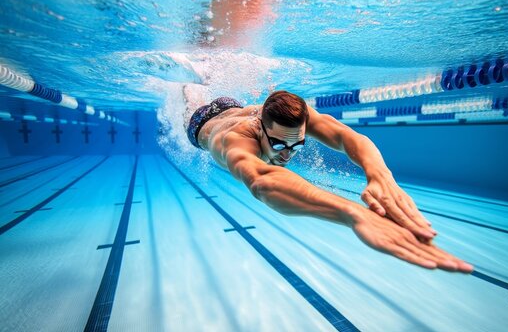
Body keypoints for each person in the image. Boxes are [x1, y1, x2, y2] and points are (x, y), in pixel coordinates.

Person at [183, 89, 474, 273]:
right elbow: (262, 181)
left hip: (231, 104)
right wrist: (353, 213)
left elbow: (348, 137)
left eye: (297, 145)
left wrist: (380, 176)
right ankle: (186, 90)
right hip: (199, 122)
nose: (287, 155)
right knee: (191, 96)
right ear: (260, 128)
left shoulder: (295, 120)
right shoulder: (235, 141)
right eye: (279, 146)